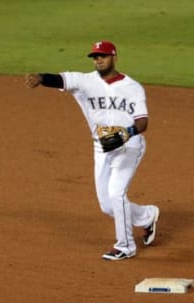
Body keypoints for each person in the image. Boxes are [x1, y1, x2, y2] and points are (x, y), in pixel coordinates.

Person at [25, 41, 159, 261]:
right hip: (101, 147)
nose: (98, 60)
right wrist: (41, 78)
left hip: (129, 145)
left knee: (117, 194)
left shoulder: (132, 87)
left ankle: (125, 246)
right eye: (95, 57)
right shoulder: (85, 82)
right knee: (107, 205)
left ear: (114, 57)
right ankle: (147, 216)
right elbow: (61, 79)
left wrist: (126, 133)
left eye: (103, 56)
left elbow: (143, 122)